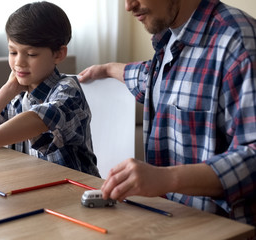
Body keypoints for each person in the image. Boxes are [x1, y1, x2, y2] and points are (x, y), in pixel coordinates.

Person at [79, 0, 256, 226]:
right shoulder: (169, 40)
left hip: (223, 230)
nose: (128, 6)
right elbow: (150, 80)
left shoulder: (238, 41)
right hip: (171, 223)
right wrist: (107, 69)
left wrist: (166, 178)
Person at [0, 1, 100, 191]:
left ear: (58, 54)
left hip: (77, 192)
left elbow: (39, 118)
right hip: (34, 190)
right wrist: (8, 89)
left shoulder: (68, 90)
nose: (19, 62)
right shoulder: (17, 95)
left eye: (31, 54)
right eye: (12, 52)